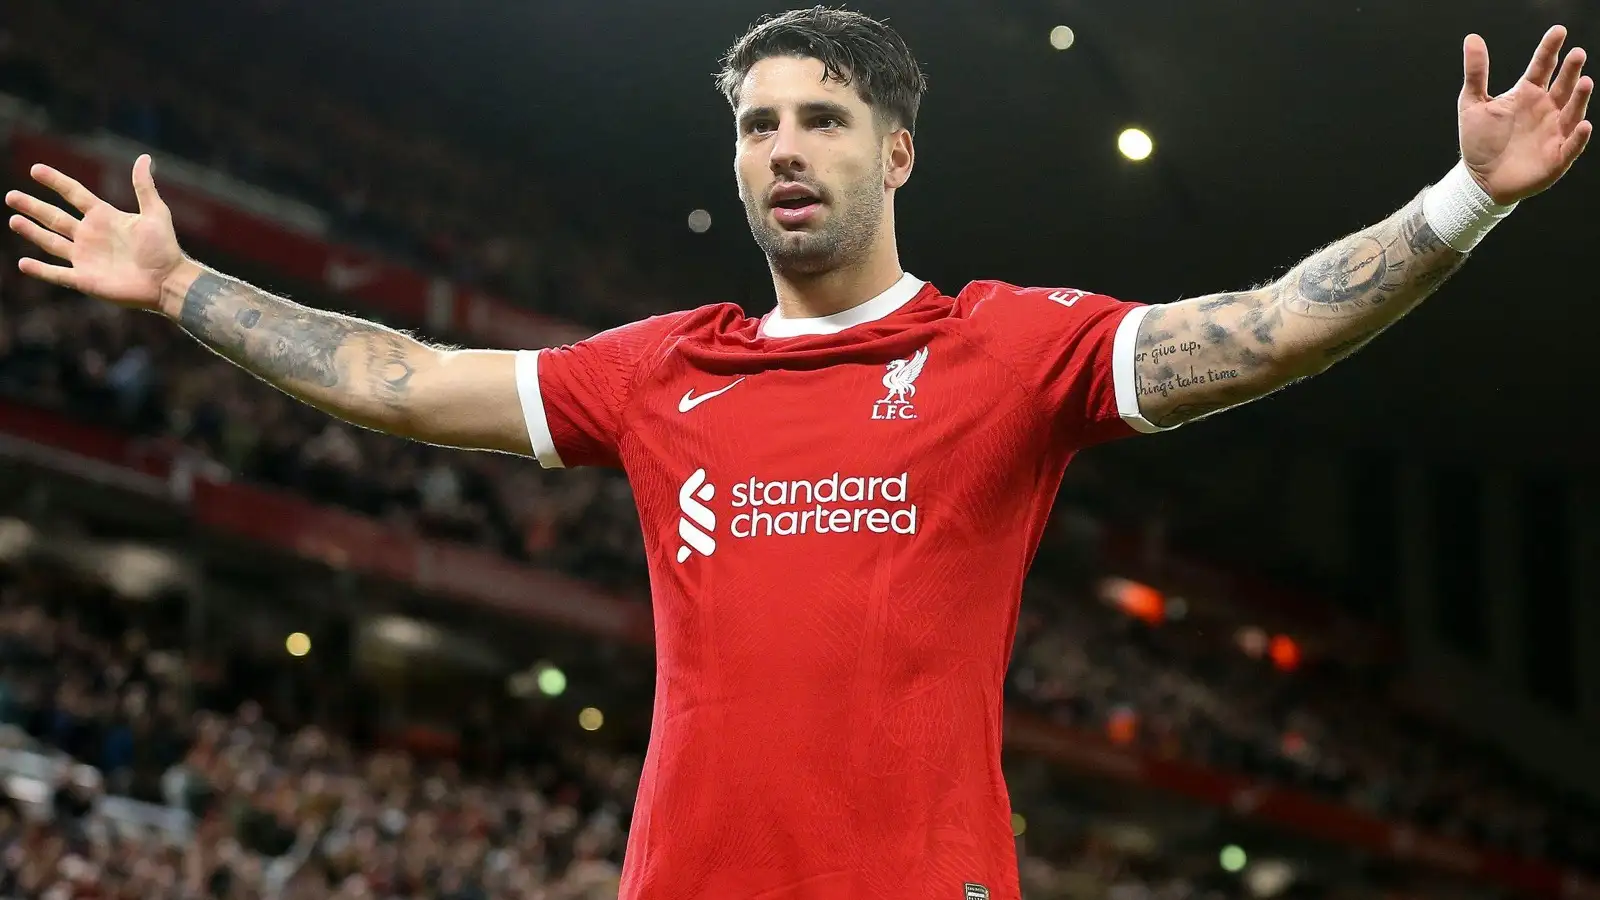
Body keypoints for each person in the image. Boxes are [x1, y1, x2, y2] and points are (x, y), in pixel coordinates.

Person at [4, 7, 1590, 899]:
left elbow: (1268, 326)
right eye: (757, 125)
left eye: (820, 120)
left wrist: (1468, 200)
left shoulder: (1007, 350)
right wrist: (184, 285)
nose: (782, 151)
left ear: (895, 150)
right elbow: (409, 383)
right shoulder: (662, 370)